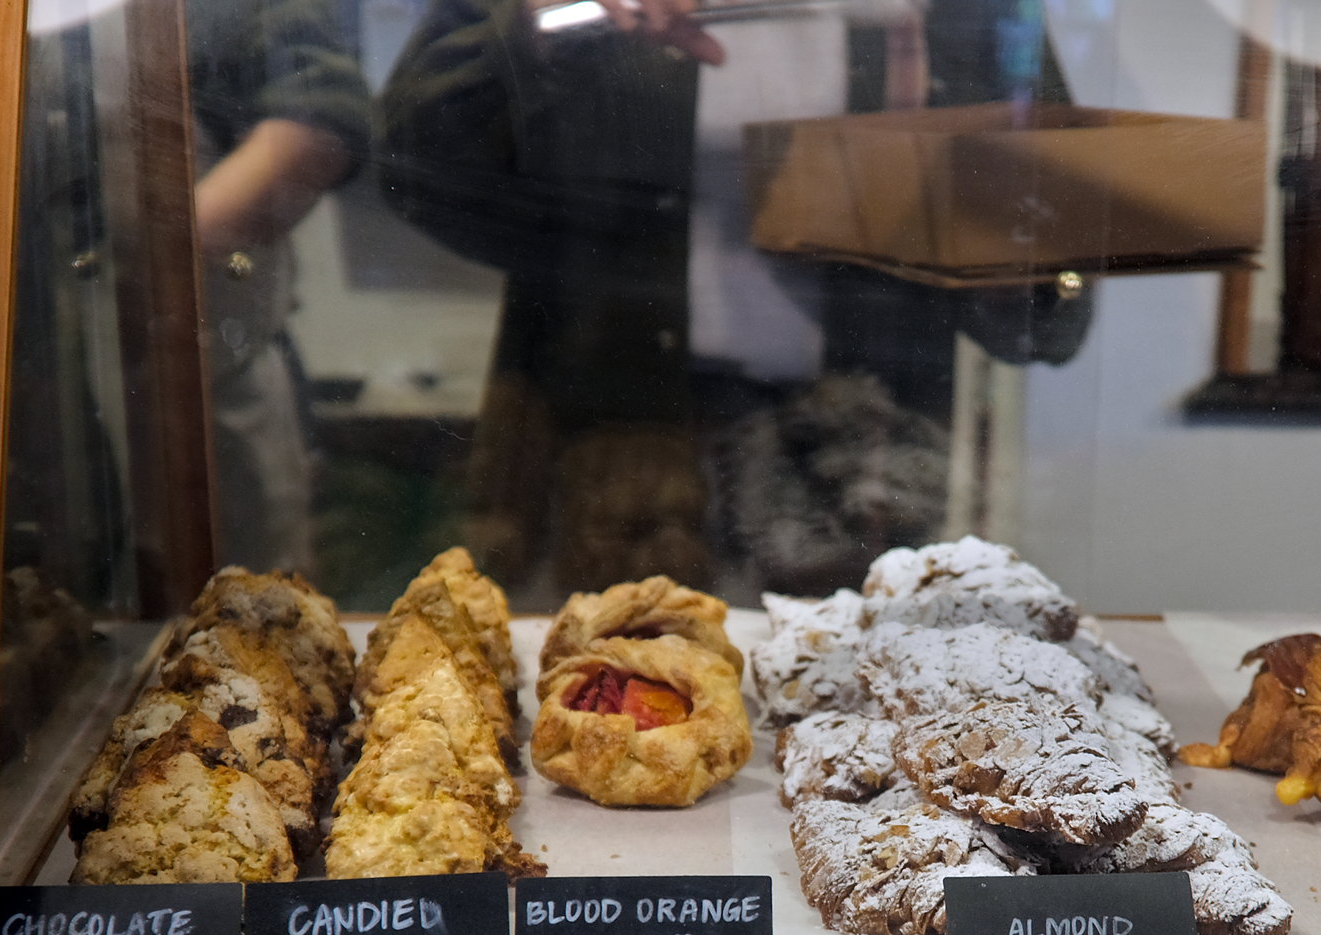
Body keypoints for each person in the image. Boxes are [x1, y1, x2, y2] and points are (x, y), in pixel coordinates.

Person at [375, 0, 1093, 595]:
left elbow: (1049, 281)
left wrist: (1015, 259)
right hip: (605, 449)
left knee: (858, 731)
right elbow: (411, 159)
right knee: (598, 715)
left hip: (856, 471)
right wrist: (533, 24)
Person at [188, 0, 371, 574]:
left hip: (210, 389)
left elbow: (315, 126)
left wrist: (162, 261)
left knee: (253, 630)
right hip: (60, 416)